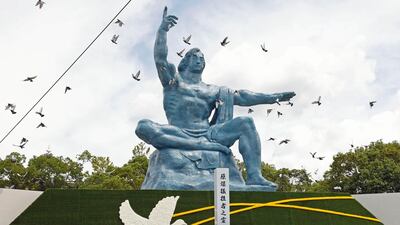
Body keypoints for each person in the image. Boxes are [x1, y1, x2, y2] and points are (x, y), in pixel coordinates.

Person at [136, 7, 296, 187]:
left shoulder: (212, 90)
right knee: (143, 126)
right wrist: (162, 31)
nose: (199, 60)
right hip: (178, 131)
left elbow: (242, 97)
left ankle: (254, 176)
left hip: (209, 134)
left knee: (246, 122)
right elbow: (160, 59)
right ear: (186, 61)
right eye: (195, 57)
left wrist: (273, 97)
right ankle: (199, 145)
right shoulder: (174, 81)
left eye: (202, 58)